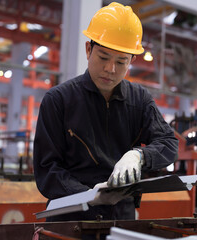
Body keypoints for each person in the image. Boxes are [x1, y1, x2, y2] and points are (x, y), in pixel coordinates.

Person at [33, 2, 178, 222]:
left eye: (121, 62)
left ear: (131, 61)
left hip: (121, 217)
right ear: (88, 50)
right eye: (103, 57)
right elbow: (47, 170)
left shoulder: (139, 100)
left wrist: (139, 155)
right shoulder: (59, 100)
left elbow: (169, 143)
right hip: (70, 217)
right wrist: (90, 196)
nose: (110, 69)